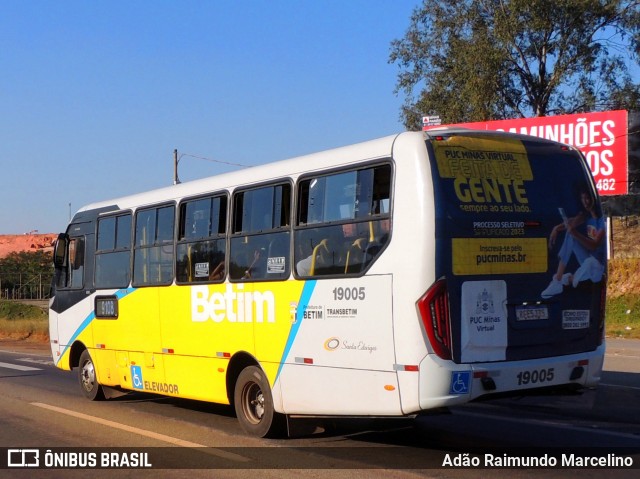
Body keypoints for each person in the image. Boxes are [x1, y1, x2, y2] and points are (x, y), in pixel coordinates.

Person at [541, 186, 606, 299]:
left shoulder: (601, 221)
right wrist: (556, 228)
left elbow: (594, 245)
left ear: (592, 198)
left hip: (598, 267)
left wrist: (575, 233)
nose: (585, 202)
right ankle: (558, 279)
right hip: (587, 260)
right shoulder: (586, 216)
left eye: (587, 198)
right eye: (582, 199)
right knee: (570, 236)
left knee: (590, 262)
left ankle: (569, 279)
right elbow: (572, 222)